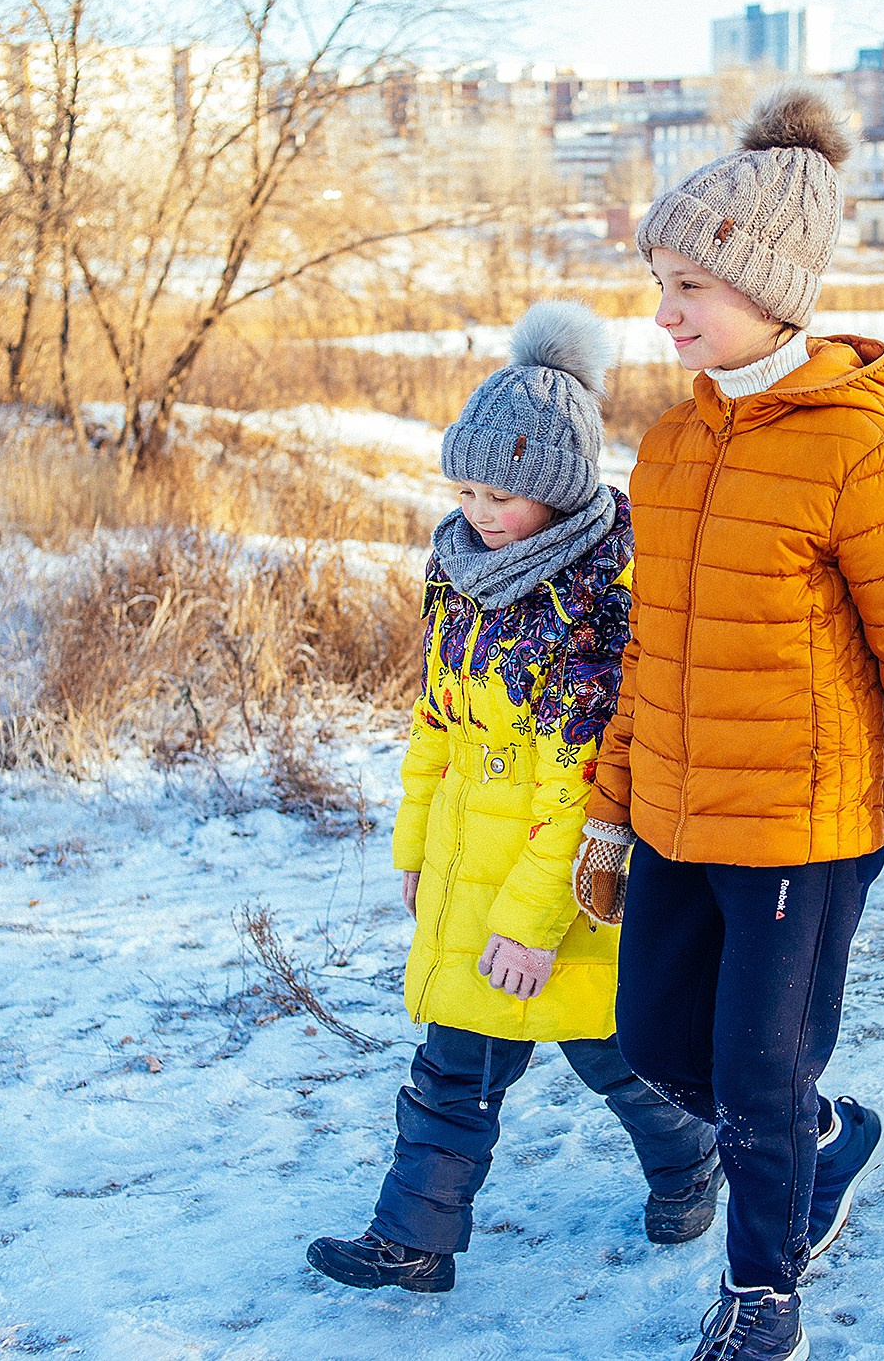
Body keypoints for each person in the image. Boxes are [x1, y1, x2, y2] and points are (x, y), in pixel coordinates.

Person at [568, 89, 884, 1361]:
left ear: (767, 284)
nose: (662, 312)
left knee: (758, 1082)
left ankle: (764, 1295)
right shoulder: (669, 447)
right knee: (650, 1041)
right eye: (658, 280)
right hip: (672, 814)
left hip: (798, 830)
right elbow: (648, 652)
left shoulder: (855, 449)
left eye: (689, 284)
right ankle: (826, 1137)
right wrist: (610, 813)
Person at [306, 302, 719, 1296]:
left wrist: (534, 924)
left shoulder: (593, 604)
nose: (481, 511)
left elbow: (583, 787)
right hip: (469, 871)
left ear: (563, 489)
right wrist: (413, 852)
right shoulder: (462, 574)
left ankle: (690, 1156)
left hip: (557, 891)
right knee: (455, 1067)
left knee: (610, 1055)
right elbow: (434, 725)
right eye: (466, 487)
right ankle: (413, 1244)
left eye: (505, 494)